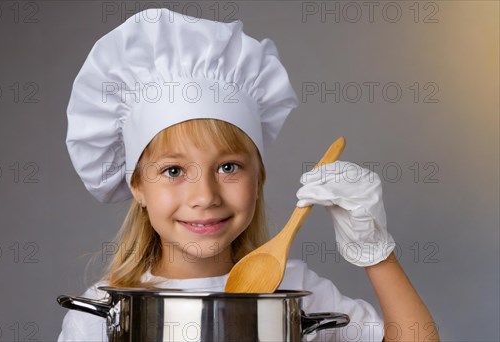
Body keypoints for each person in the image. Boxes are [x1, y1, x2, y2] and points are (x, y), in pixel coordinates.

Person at [59, 8, 438, 342]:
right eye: (173, 170)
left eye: (228, 167)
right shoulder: (101, 312)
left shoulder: (295, 291)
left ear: (259, 178)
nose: (205, 196)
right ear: (137, 186)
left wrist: (375, 253)